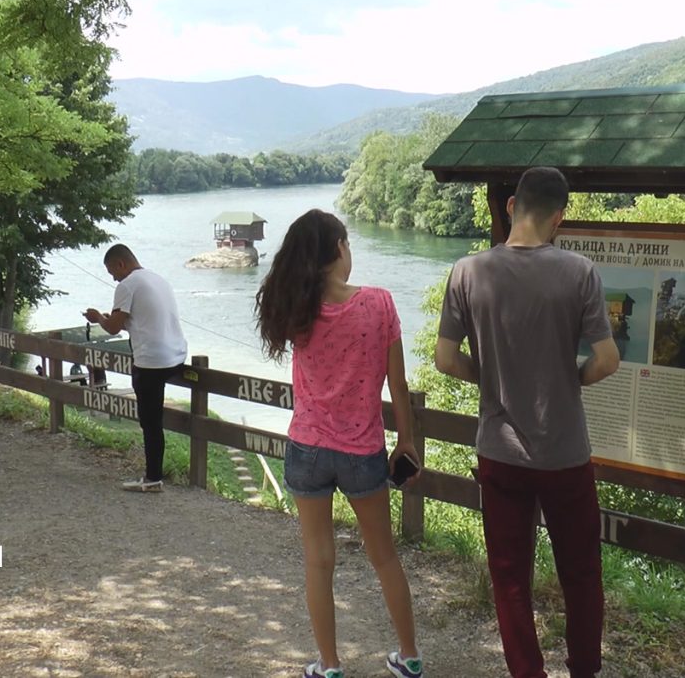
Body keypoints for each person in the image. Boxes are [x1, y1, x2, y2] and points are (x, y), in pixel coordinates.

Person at [434, 167, 620, 678]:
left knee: (511, 577)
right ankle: (584, 669)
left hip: (499, 453)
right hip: (565, 454)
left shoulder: (467, 272)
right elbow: (607, 360)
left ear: (512, 206)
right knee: (581, 574)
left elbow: (445, 359)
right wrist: (572, 378)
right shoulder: (580, 273)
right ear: (559, 217)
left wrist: (490, 377)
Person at [255, 209, 423, 678]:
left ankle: (329, 665)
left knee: (318, 560)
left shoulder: (297, 309)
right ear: (338, 250)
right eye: (347, 243)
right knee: (384, 556)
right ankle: (409, 657)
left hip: (307, 448)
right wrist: (406, 441)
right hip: (362, 450)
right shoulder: (380, 304)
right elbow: (399, 386)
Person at [84, 244, 187, 492]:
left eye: (112, 272)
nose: (113, 277)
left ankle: (153, 479)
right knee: (154, 420)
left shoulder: (127, 285)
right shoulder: (157, 279)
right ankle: (154, 475)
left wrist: (98, 317)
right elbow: (143, 320)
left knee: (150, 423)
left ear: (121, 264)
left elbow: (112, 328)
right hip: (177, 355)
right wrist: (118, 319)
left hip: (151, 361)